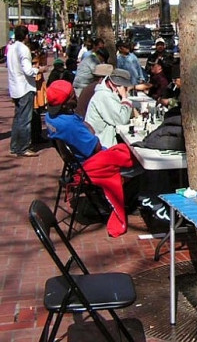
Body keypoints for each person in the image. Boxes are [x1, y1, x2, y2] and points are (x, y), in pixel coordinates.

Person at [45, 80, 136, 237]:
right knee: (137, 160)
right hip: (89, 165)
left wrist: (89, 131)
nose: (77, 97)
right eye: (73, 95)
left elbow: (87, 126)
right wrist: (91, 133)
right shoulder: (69, 125)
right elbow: (96, 147)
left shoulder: (51, 116)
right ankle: (134, 201)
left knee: (127, 150)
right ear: (66, 103)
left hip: (77, 160)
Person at [7, 25, 47, 157]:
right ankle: (23, 147)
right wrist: (39, 70)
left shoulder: (11, 48)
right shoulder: (23, 49)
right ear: (26, 36)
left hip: (15, 86)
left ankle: (15, 146)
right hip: (24, 87)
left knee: (18, 118)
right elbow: (28, 70)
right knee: (24, 119)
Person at [85, 68, 133, 148]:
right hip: (102, 143)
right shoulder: (104, 95)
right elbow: (122, 119)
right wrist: (124, 97)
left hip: (103, 138)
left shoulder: (107, 92)